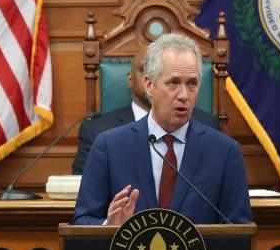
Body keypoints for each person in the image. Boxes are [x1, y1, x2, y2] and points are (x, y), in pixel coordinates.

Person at [72, 33, 252, 225]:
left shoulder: (224, 151)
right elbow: (82, 221)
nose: (184, 95)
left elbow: (239, 229)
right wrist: (109, 227)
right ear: (149, 85)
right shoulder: (109, 146)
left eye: (192, 83)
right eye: (173, 83)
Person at [71, 44, 217, 174]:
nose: (154, 76)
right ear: (131, 79)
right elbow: (81, 191)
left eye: (191, 83)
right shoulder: (98, 131)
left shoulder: (208, 125)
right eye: (144, 69)